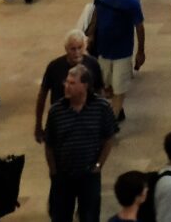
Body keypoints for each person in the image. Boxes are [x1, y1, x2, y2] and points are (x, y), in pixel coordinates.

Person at [45, 61, 119, 222]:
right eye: (66, 82)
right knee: (60, 216)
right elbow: (49, 144)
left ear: (85, 85)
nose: (66, 86)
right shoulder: (56, 111)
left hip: (89, 175)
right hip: (63, 175)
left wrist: (99, 165)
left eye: (72, 83)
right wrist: (53, 171)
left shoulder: (102, 107)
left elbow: (109, 137)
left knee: (90, 216)